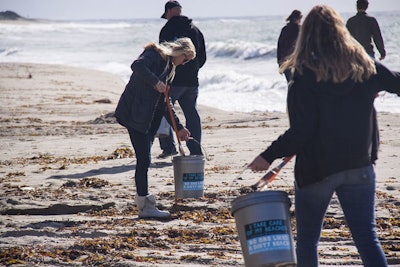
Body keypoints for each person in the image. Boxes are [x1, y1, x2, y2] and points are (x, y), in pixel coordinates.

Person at [249, 5, 399, 267]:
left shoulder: (303, 74)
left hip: (317, 170)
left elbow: (302, 131)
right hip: (358, 165)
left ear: (305, 35)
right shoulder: (364, 65)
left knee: (307, 240)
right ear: (341, 31)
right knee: (366, 237)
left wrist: (268, 155)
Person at [115, 37, 196, 218]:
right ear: (179, 52)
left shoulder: (169, 69)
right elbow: (136, 66)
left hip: (149, 119)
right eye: (186, 59)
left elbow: (165, 104)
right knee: (144, 160)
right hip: (133, 114)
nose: (185, 63)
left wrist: (179, 128)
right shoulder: (153, 54)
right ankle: (144, 205)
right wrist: (155, 82)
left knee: (144, 160)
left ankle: (142, 199)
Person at [157, 0, 207, 158]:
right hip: (192, 81)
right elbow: (203, 57)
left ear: (170, 12)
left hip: (173, 80)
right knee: (191, 112)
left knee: (164, 109)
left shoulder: (167, 30)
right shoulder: (196, 30)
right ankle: (196, 149)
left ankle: (169, 147)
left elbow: (163, 56)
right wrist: (193, 69)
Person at [277, 9, 302, 82]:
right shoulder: (299, 29)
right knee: (298, 84)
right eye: (300, 18)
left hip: (285, 62)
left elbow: (279, 46)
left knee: (291, 83)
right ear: (296, 18)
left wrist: (279, 63)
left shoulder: (284, 29)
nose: (300, 20)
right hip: (296, 62)